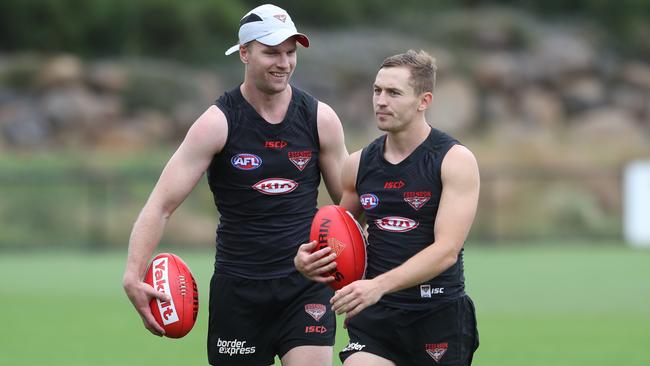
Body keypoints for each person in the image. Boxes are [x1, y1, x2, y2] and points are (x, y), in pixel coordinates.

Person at [122, 4, 348, 366]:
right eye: (271, 52)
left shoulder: (320, 119)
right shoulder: (217, 123)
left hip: (305, 286)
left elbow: (349, 207)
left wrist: (365, 274)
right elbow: (160, 205)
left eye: (291, 52)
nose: (284, 63)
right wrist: (133, 274)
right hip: (239, 291)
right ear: (244, 52)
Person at [295, 50, 480, 365]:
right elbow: (339, 236)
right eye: (377, 90)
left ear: (424, 101)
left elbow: (446, 250)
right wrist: (310, 259)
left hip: (437, 314)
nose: (381, 101)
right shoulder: (357, 165)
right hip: (376, 318)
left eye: (394, 93)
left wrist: (377, 286)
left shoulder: (454, 160)